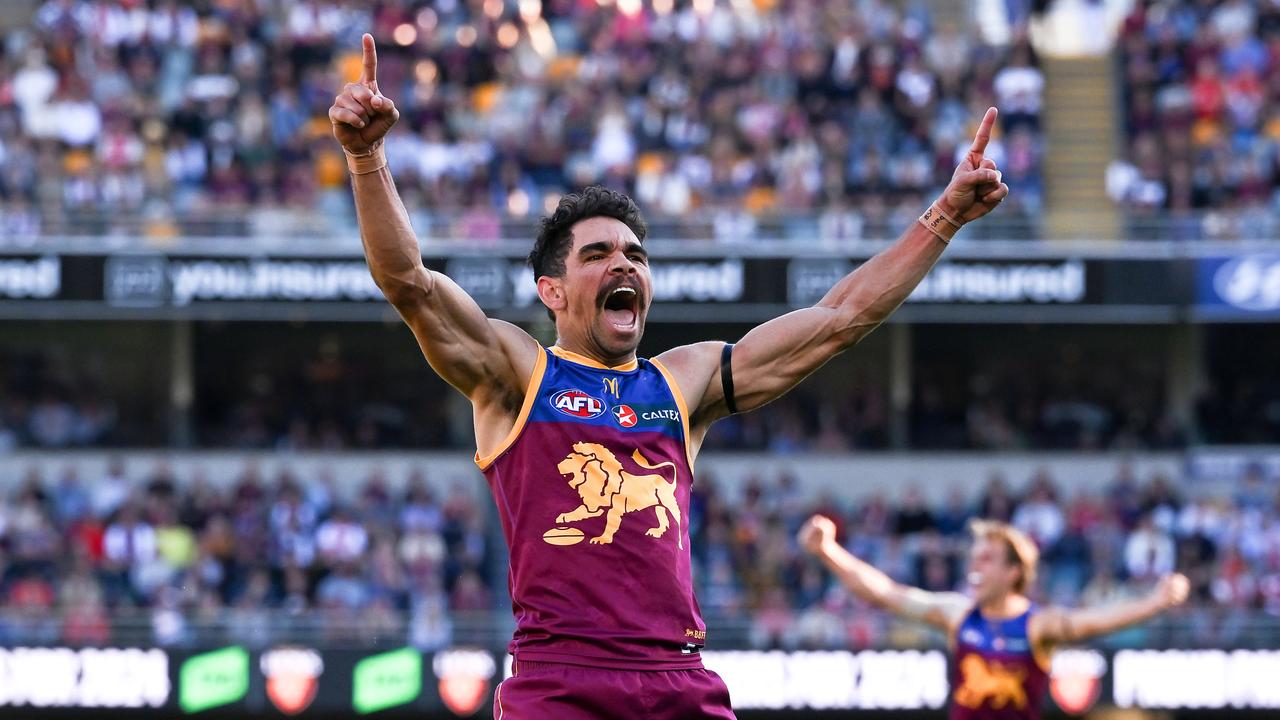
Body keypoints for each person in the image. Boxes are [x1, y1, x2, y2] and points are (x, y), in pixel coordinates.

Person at [330, 33, 1010, 720]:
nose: (624, 265)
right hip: (560, 683)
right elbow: (409, 284)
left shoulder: (681, 382)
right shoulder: (516, 372)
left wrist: (944, 215)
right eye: (597, 254)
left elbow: (839, 319)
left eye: (635, 254)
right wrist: (365, 156)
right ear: (552, 291)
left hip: (678, 681)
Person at [797, 515, 1190, 720]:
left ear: (1014, 572)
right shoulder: (959, 616)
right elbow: (885, 593)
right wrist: (828, 551)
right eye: (974, 558)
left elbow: (1096, 622)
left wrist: (1154, 602)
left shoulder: (1039, 626)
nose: (975, 566)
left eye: (987, 559)